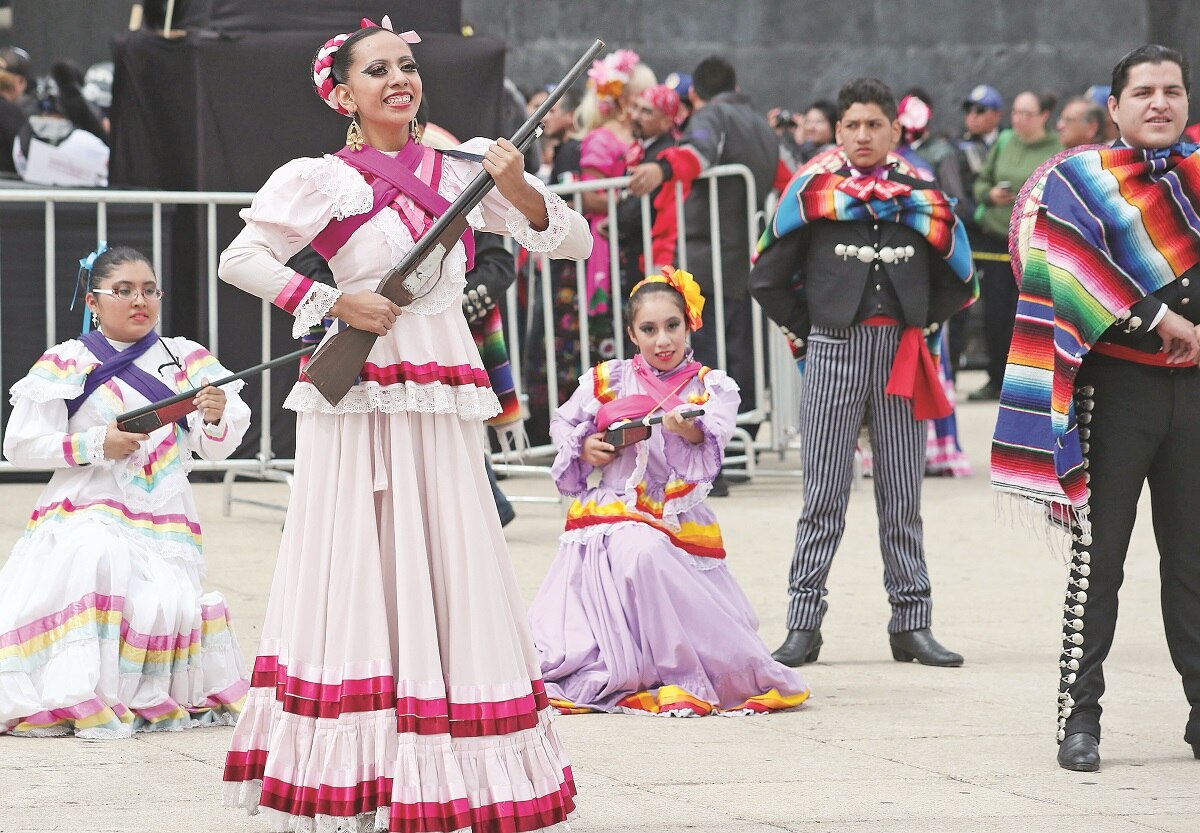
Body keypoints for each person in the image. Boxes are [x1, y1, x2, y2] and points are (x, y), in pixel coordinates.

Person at [217, 18, 590, 832]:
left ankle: (454, 762)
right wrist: (329, 300)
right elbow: (239, 257)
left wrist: (519, 185)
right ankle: (363, 770)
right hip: (358, 386)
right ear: (342, 93)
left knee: (451, 551)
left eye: (408, 66)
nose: (400, 78)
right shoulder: (317, 178)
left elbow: (574, 239)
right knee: (353, 551)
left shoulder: (467, 166)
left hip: (441, 384)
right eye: (378, 69)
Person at [993, 43, 1200, 773]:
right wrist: (1156, 319)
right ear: (1114, 107)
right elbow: (1060, 274)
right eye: (1143, 91)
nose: (1160, 103)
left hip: (1195, 394)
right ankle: (1079, 721)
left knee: (1193, 562)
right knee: (1098, 564)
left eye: (1173, 90)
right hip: (1116, 394)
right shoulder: (1080, 181)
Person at [749, 77, 978, 668]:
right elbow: (766, 275)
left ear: (896, 131)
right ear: (838, 129)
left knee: (902, 495)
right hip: (832, 353)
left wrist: (923, 323)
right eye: (851, 125)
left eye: (874, 125)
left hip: (903, 355)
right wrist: (815, 325)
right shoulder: (812, 194)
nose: (862, 135)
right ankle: (803, 625)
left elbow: (961, 276)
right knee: (822, 493)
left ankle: (912, 623)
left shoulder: (921, 196)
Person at [529, 268, 810, 716]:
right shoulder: (607, 379)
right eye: (649, 329)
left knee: (648, 553)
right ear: (631, 333)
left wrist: (691, 432)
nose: (662, 340)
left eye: (672, 326)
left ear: (688, 324)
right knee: (640, 551)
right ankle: (638, 666)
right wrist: (586, 446)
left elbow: (711, 446)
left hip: (678, 514)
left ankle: (681, 671)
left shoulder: (710, 386)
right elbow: (562, 423)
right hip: (614, 507)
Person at [0, 245, 251, 738]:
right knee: (95, 555)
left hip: (164, 513)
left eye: (149, 290)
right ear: (93, 302)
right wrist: (98, 443)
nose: (140, 301)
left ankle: (136, 694)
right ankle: (76, 693)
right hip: (85, 504)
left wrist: (216, 414)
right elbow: (21, 445)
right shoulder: (67, 361)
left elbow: (215, 448)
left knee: (163, 599)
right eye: (123, 291)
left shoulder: (187, 357)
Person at [627, 55, 779, 440]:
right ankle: (743, 448)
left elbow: (697, 153)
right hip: (747, 261)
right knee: (742, 357)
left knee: (709, 363)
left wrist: (661, 168)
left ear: (693, 93)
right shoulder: (763, 126)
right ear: (736, 88)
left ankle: (717, 452)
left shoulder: (712, 117)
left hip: (706, 261)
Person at [968, 89, 1062, 401]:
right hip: (996, 243)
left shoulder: (1057, 146)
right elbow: (981, 181)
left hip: (1034, 247)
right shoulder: (1005, 140)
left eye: (1027, 114)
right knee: (995, 315)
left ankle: (1030, 384)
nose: (1019, 120)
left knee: (1028, 316)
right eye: (1016, 113)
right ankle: (996, 378)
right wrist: (989, 194)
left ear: (1044, 117)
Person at [613, 83, 681, 275]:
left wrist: (615, 223)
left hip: (651, 253)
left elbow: (638, 208)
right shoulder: (643, 148)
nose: (635, 116)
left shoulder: (663, 154)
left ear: (667, 122)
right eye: (635, 107)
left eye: (646, 111)